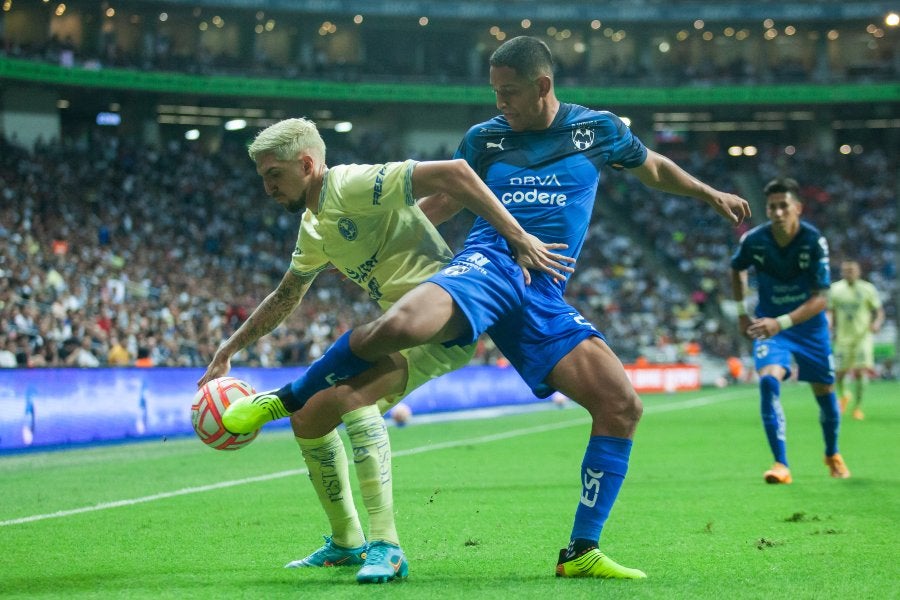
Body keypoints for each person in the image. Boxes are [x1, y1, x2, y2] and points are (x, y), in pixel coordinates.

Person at [224, 36, 750, 580]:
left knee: (621, 406)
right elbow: (446, 200)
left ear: (543, 86)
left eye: (509, 92)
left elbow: (654, 167)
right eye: (495, 91)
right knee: (400, 325)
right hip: (489, 262)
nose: (500, 102)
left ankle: (581, 551)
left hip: (541, 291)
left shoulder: (598, 131)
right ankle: (284, 401)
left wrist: (709, 194)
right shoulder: (485, 139)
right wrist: (384, 242)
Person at [198, 117, 570, 584]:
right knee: (310, 417)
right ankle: (347, 541)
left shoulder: (350, 184)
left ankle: (387, 546)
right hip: (399, 328)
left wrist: (518, 237)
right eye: (264, 178)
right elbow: (287, 296)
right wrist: (229, 348)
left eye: (274, 175)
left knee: (355, 397)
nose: (268, 187)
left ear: (308, 164)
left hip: (444, 316)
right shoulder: (314, 225)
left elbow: (454, 173)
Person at [730, 177, 850, 484]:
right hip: (772, 328)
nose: (778, 212)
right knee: (768, 381)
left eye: (784, 206)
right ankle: (780, 464)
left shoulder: (813, 241)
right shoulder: (754, 240)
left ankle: (832, 453)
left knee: (824, 394)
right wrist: (743, 313)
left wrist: (780, 322)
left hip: (809, 329)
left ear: (797, 208)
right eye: (772, 207)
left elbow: (821, 299)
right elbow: (737, 267)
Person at [828, 259, 885, 420]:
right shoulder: (835, 289)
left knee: (860, 371)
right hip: (842, 338)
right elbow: (830, 311)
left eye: (852, 270)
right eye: (846, 270)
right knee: (839, 374)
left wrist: (876, 323)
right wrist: (829, 324)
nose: (849, 273)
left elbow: (879, 311)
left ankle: (858, 408)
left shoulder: (867, 289)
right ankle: (844, 395)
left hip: (862, 336)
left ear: (858, 271)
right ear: (842, 272)